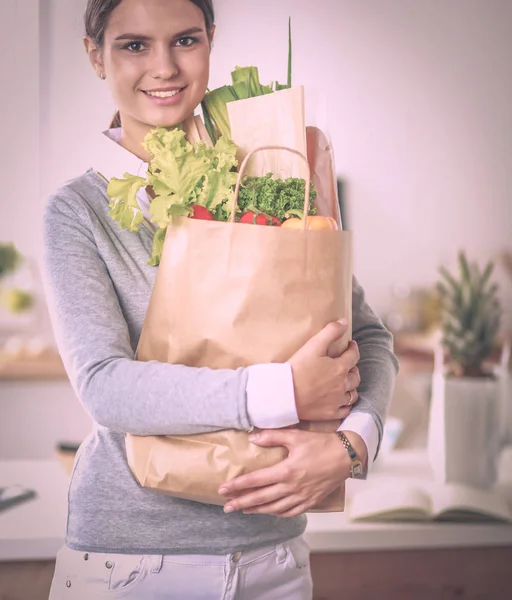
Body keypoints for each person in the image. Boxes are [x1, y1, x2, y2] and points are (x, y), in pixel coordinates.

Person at [42, 0, 398, 598]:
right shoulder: (80, 211)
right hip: (132, 563)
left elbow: (368, 335)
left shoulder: (270, 173)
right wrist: (284, 389)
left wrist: (353, 443)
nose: (164, 68)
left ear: (210, 39)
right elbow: (105, 384)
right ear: (94, 54)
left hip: (275, 557)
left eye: (184, 40)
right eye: (134, 45)